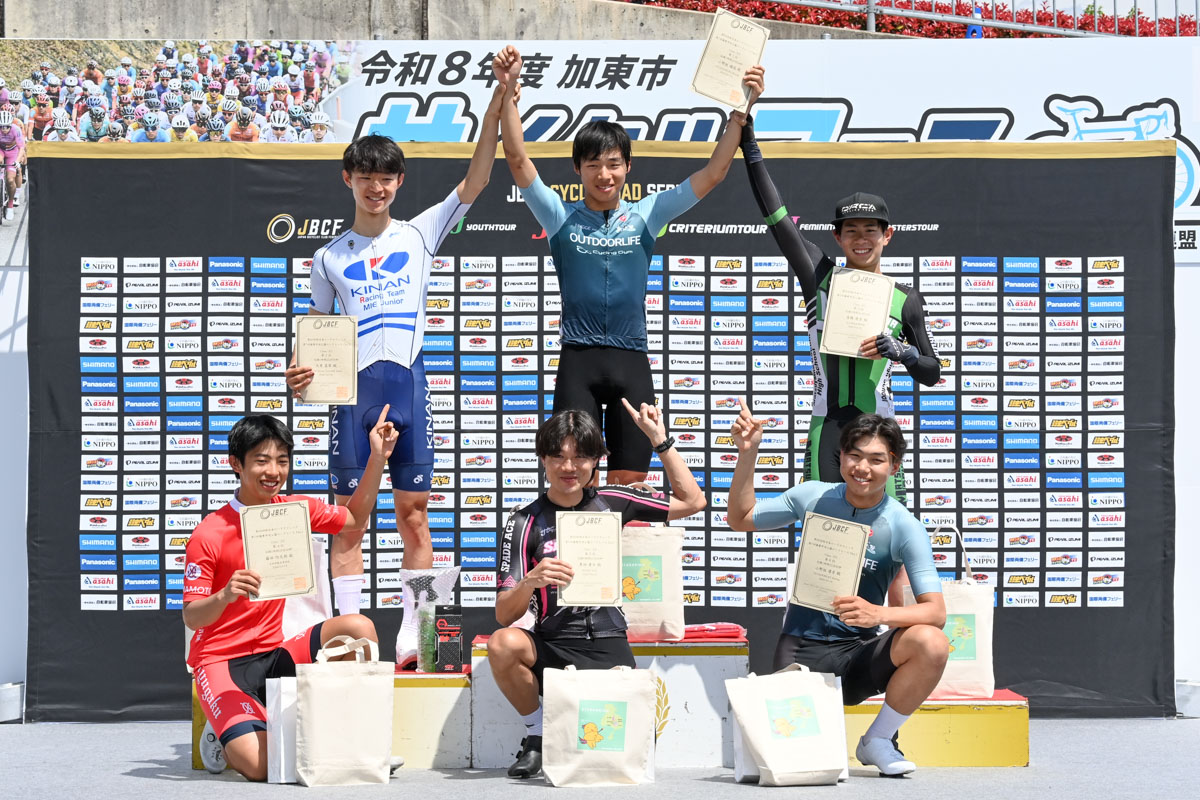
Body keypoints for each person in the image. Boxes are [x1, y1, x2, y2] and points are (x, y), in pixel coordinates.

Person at [283, 82, 506, 639]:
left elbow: (476, 181)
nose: (376, 187)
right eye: (366, 177)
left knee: (415, 516)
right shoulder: (327, 257)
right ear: (348, 179)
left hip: (408, 389)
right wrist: (298, 370)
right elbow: (315, 327)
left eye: (386, 177)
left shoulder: (421, 233)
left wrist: (496, 107)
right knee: (348, 523)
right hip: (352, 398)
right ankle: (346, 634)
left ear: (399, 181)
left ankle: (420, 633)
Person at [492, 44, 764, 487]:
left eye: (614, 164)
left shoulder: (647, 214)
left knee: (631, 489)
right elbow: (518, 160)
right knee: (575, 483)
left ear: (628, 167)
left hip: (631, 362)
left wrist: (740, 111)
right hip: (577, 362)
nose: (605, 174)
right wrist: (507, 93)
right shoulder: (559, 216)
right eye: (594, 165)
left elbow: (713, 173)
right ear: (577, 168)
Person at [738, 95, 939, 502]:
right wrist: (749, 145)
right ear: (837, 236)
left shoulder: (905, 299)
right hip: (825, 429)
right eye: (851, 231)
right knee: (822, 530)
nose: (861, 239)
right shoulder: (819, 274)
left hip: (880, 433)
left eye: (870, 230)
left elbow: (932, 372)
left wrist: (903, 352)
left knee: (886, 533)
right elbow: (776, 217)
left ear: (887, 235)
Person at [726, 406, 947, 777]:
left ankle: (878, 739)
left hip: (858, 654)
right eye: (854, 455)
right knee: (796, 768)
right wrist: (748, 454)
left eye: (876, 459)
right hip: (800, 648)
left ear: (894, 466)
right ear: (841, 456)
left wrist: (879, 614)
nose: (863, 468)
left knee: (932, 642)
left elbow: (935, 612)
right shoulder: (813, 496)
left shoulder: (904, 525)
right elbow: (740, 519)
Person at [489, 403, 706, 779]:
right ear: (543, 459)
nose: (568, 467)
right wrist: (530, 581)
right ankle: (537, 735)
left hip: (608, 642)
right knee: (502, 644)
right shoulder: (524, 521)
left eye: (580, 457)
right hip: (554, 644)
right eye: (558, 457)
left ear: (595, 461)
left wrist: (660, 440)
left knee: (631, 749)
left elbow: (694, 502)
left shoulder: (614, 501)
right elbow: (504, 615)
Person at [184, 410, 396, 781]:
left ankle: (352, 738)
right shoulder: (209, 533)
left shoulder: (294, 511)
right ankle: (226, 727)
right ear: (236, 464)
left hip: (275, 652)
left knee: (358, 628)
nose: (273, 471)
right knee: (261, 767)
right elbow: (192, 616)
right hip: (221, 662)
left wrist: (378, 458)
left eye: (282, 461)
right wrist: (225, 595)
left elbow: (354, 520)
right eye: (261, 461)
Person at [0, 110, 25, 220]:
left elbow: (21, 148)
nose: (4, 129)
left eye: (6, 127)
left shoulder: (16, 130)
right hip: (1, 150)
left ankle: (10, 204)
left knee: (10, 180)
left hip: (12, 152)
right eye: (1, 126)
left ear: (11, 125)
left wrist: (17, 161)